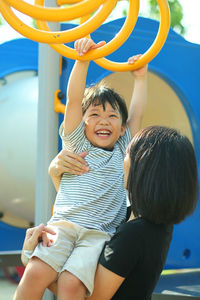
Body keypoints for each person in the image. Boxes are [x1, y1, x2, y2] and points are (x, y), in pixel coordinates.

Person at [13, 37, 148, 300]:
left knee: (71, 285)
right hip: (62, 227)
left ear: (122, 129)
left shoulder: (123, 149)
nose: (103, 121)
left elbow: (137, 116)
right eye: (95, 115)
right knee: (34, 274)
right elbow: (74, 100)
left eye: (111, 116)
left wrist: (141, 79)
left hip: (98, 235)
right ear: (83, 123)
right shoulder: (76, 143)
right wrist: (82, 60)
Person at [21, 125, 198, 300]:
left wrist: (31, 260)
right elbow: (87, 210)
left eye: (128, 153)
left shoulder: (133, 234)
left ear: (145, 169)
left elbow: (89, 297)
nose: (123, 160)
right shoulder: (153, 223)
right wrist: (55, 173)